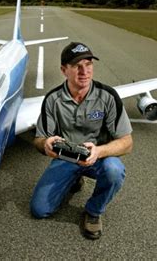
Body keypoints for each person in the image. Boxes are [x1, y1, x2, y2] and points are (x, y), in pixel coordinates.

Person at [30, 42, 133, 240]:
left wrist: (98, 152)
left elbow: (127, 142)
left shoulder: (108, 96)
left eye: (88, 64)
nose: (84, 71)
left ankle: (94, 212)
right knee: (39, 210)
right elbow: (38, 139)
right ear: (63, 70)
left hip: (98, 157)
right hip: (65, 158)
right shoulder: (52, 99)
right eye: (77, 65)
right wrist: (45, 144)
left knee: (114, 169)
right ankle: (74, 177)